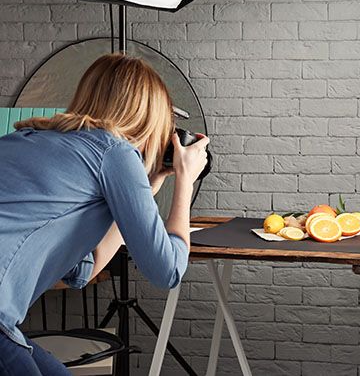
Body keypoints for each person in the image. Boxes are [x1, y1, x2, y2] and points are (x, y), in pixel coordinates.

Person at [0, 54, 209, 375]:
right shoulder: (115, 152)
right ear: (147, 116)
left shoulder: (27, 139)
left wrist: (149, 184)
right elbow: (167, 270)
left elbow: (85, 268)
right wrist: (185, 179)